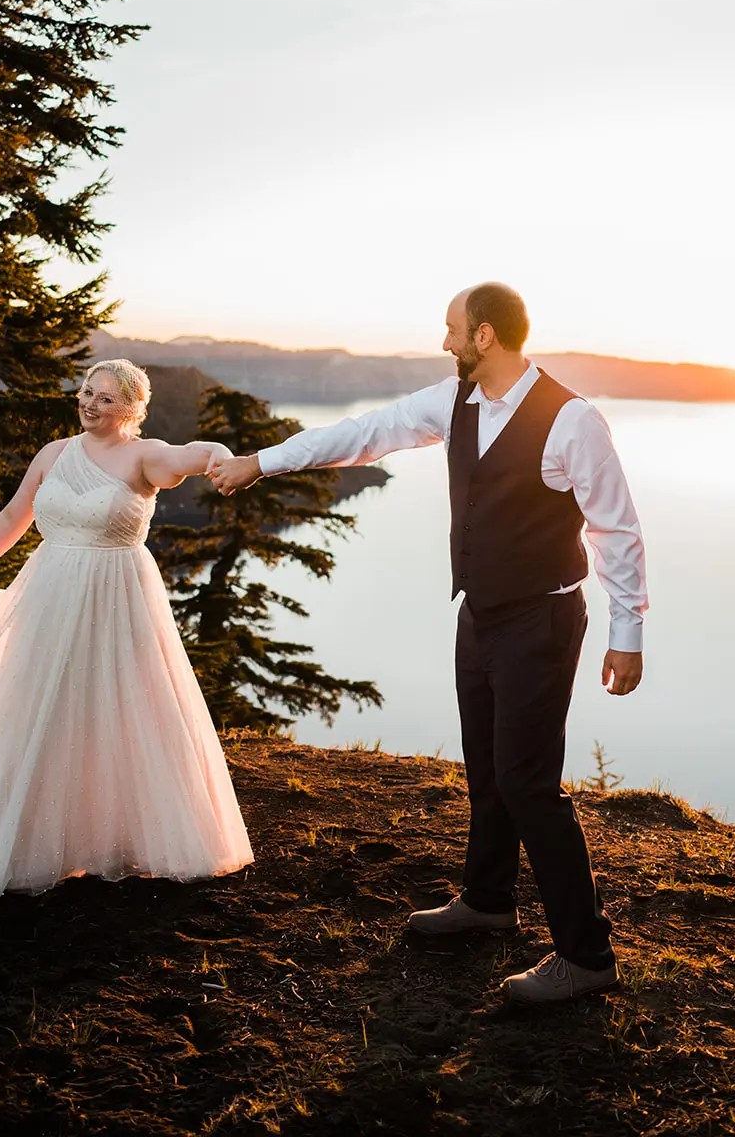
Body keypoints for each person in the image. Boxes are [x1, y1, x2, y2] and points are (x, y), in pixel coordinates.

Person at [209, 283, 647, 1004]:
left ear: (485, 336)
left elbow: (617, 530)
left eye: (452, 330)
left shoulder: (573, 421)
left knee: (528, 784)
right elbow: (363, 432)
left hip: (543, 618)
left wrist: (627, 632)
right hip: (479, 613)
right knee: (486, 767)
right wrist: (262, 461)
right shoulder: (453, 403)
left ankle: (586, 953)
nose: (443, 342)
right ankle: (487, 902)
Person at [0, 359, 253, 905]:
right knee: (34, 701)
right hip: (49, 590)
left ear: (133, 409)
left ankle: (129, 835)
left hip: (117, 594)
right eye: (86, 392)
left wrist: (218, 455)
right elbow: (14, 514)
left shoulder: (144, 455)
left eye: (106, 399)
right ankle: (25, 838)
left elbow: (187, 456)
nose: (91, 404)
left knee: (124, 705)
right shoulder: (54, 452)